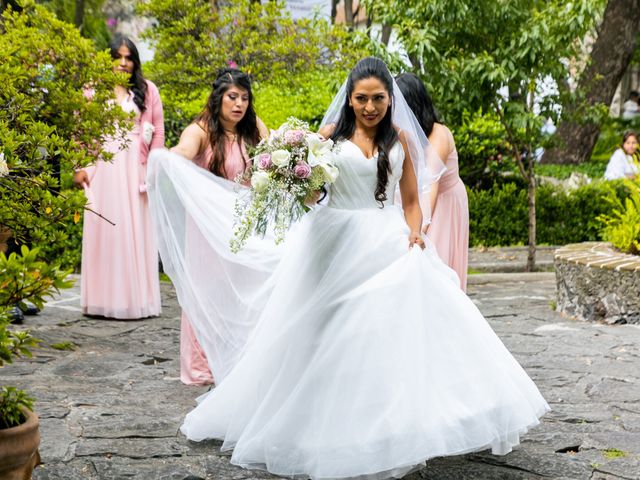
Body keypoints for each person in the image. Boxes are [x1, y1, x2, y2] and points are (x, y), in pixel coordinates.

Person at [147, 57, 549, 480]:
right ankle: (317, 421)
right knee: (322, 331)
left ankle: (386, 423)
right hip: (333, 241)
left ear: (390, 100)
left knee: (383, 332)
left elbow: (411, 201)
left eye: (378, 98)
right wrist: (294, 178)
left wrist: (415, 233)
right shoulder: (326, 140)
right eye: (362, 98)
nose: (370, 107)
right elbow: (313, 196)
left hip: (385, 239)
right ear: (350, 99)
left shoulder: (400, 140)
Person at [169, 68, 268, 386]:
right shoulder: (200, 131)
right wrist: (169, 156)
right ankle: (201, 366)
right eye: (232, 97)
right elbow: (184, 151)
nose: (238, 104)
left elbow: (276, 157)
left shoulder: (253, 131)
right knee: (206, 290)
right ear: (219, 98)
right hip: (207, 227)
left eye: (244, 97)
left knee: (241, 290)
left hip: (243, 224)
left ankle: (239, 356)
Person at [73, 35, 164, 319]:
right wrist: (82, 166)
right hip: (103, 167)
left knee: (134, 231)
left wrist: (154, 168)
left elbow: (158, 131)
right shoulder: (91, 90)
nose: (123, 63)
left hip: (134, 168)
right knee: (106, 231)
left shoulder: (147, 91)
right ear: (108, 59)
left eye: (128, 58)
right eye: (118, 57)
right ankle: (101, 299)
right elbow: (80, 132)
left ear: (135, 62)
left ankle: (136, 301)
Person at [396, 72, 469, 291]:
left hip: (443, 205)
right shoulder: (403, 132)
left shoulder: (439, 134)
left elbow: (429, 185)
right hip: (414, 200)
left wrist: (419, 230)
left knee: (436, 268)